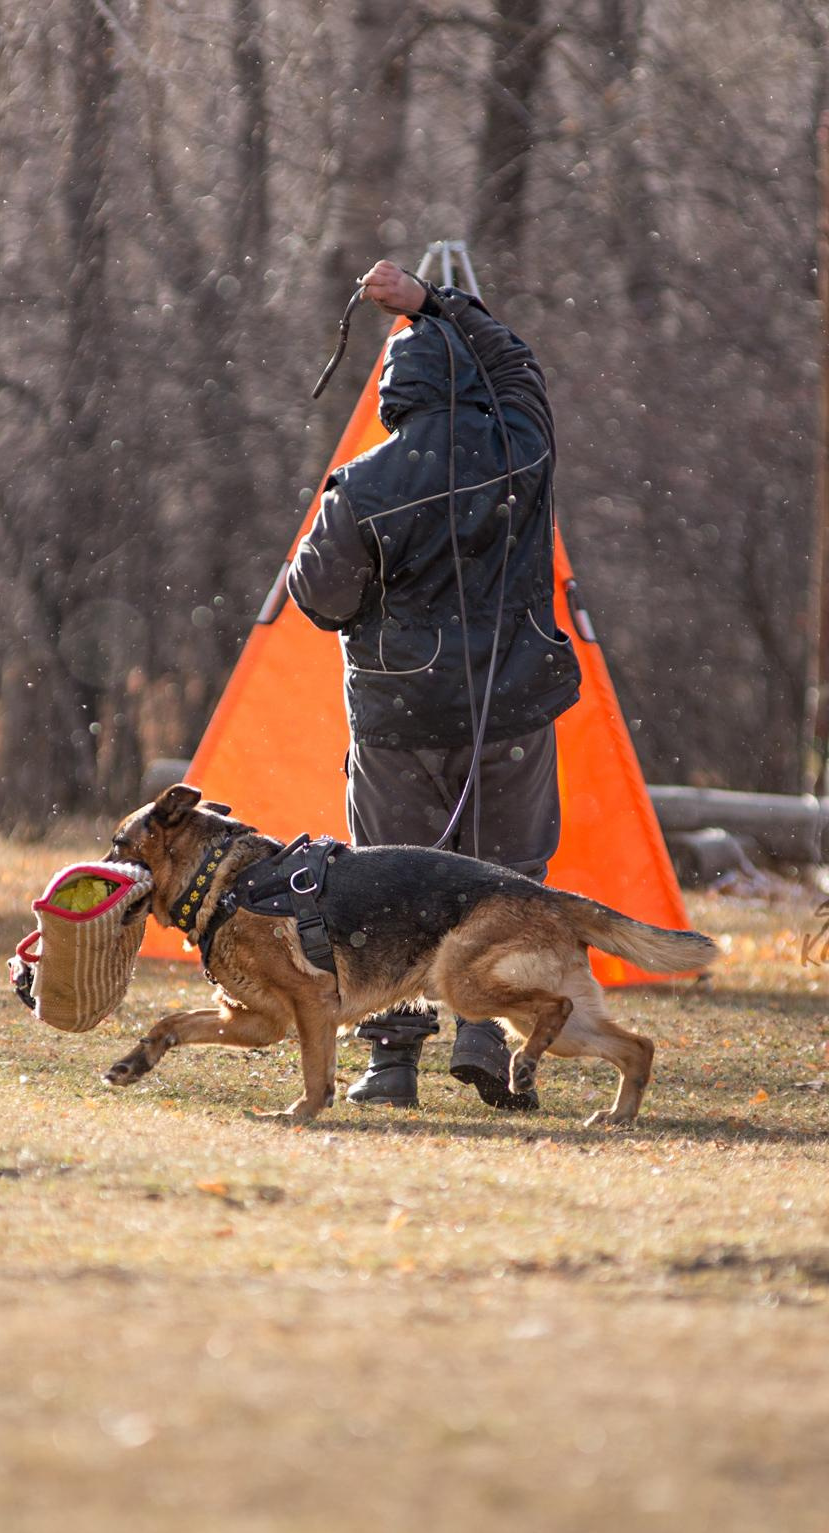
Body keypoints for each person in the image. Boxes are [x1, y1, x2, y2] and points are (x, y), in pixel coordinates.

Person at [288, 259, 582, 1109]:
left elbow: (321, 598)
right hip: (512, 704)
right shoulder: (524, 445)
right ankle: (489, 1032)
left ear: (395, 399)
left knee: (385, 889)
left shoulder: (366, 484)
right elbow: (517, 361)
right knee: (510, 877)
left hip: (398, 711)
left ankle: (391, 1067)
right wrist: (434, 304)